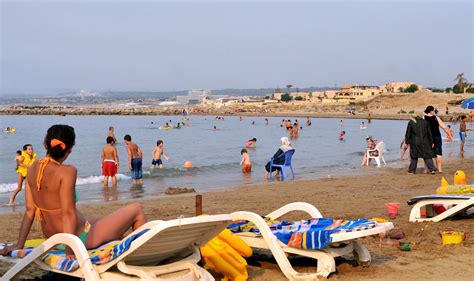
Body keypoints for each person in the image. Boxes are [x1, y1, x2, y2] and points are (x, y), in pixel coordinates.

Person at [0, 125, 146, 259]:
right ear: (70, 149)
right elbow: (68, 213)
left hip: (53, 236)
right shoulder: (67, 172)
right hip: (78, 237)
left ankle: (118, 246)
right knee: (137, 209)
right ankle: (141, 258)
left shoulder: (32, 169)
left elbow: (30, 211)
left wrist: (19, 245)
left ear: (46, 145)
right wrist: (70, 251)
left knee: (102, 221)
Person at [424, 105, 453, 173]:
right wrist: (450, 135)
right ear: (431, 111)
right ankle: (439, 169)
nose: (435, 112)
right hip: (436, 137)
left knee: (428, 154)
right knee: (438, 153)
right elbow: (444, 127)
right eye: (434, 110)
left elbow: (421, 128)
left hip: (428, 138)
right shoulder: (436, 118)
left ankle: (426, 169)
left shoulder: (423, 118)